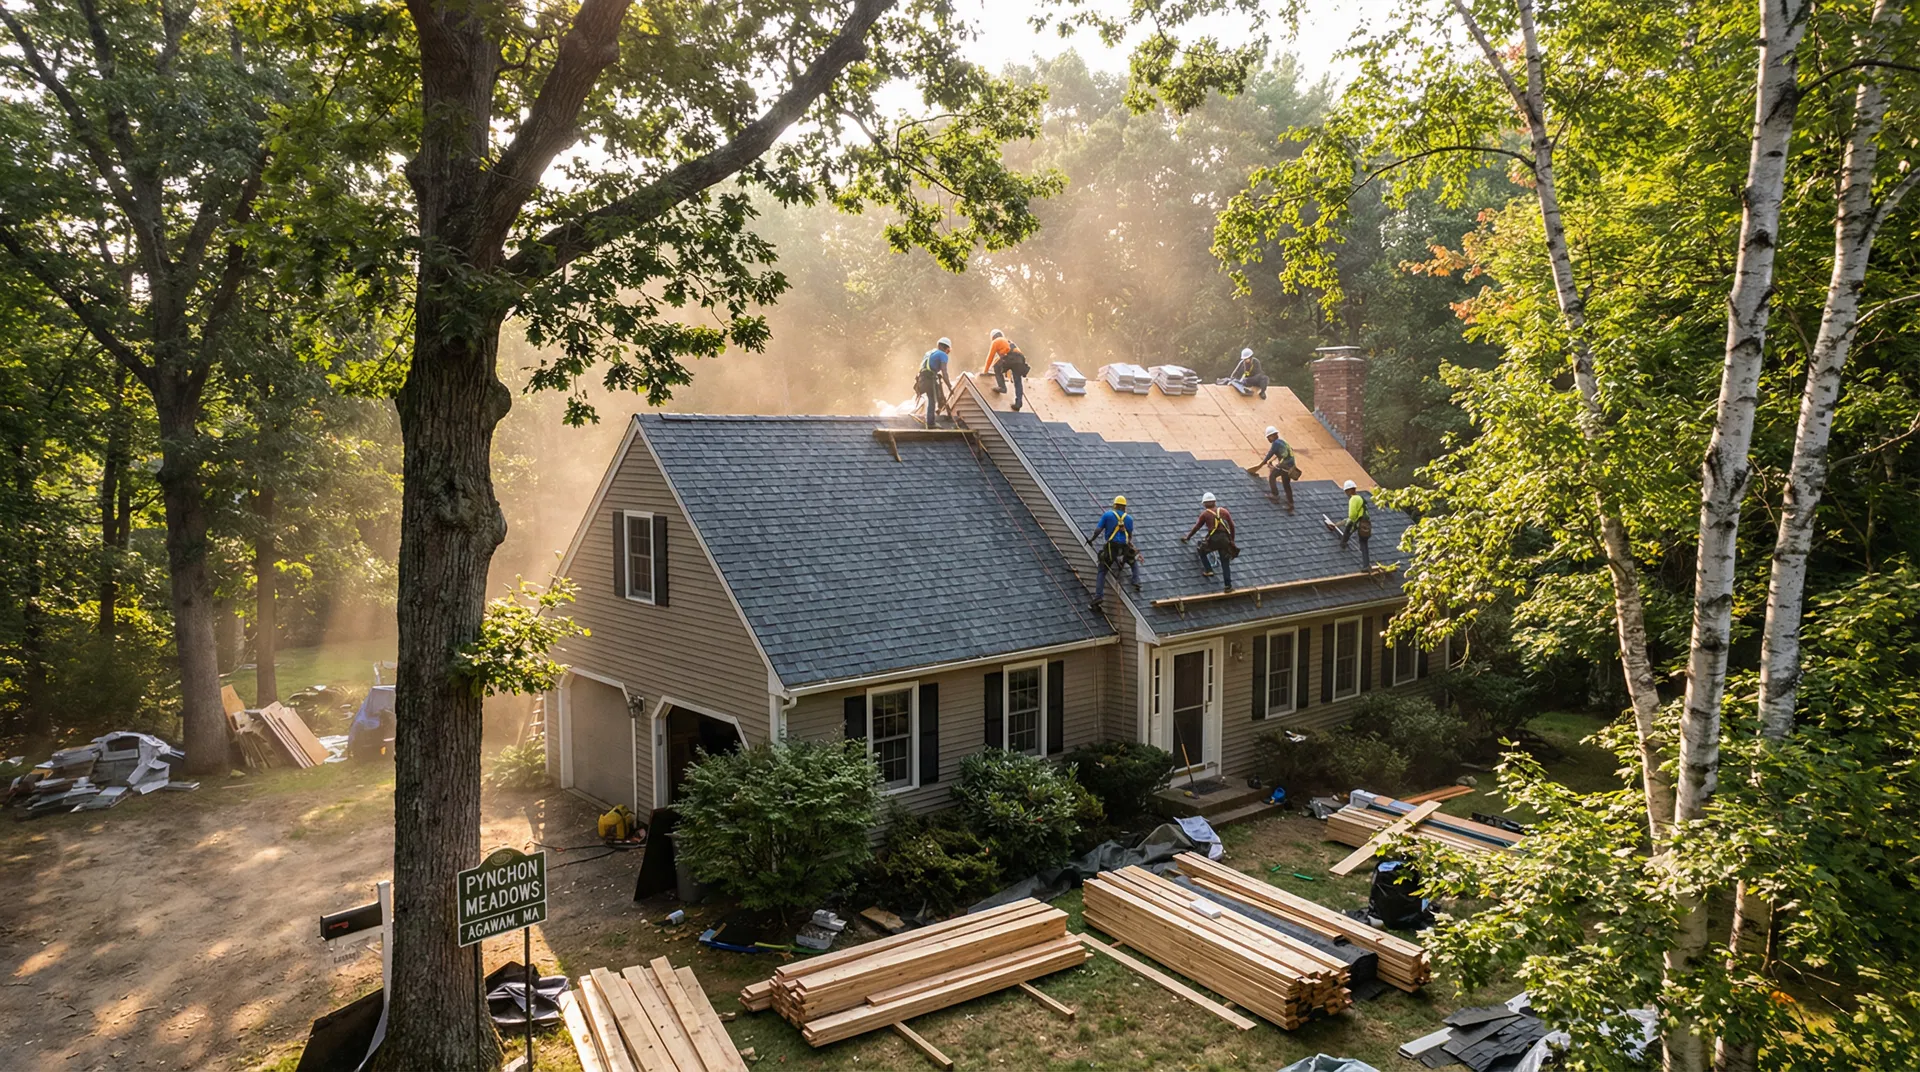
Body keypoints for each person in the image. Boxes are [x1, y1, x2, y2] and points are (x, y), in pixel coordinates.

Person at [1085, 494, 1141, 610]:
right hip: (1124, 548)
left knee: (1102, 570)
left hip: (1111, 548)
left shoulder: (1108, 515)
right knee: (1132, 561)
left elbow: (1098, 530)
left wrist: (1091, 540)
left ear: (1115, 505)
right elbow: (1129, 536)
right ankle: (1136, 580)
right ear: (1124, 507)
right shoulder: (1129, 519)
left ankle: (1098, 596)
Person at [1181, 492, 1236, 592]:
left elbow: (1196, 527)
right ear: (1214, 502)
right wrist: (1232, 540)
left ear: (1205, 504)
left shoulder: (1205, 514)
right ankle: (1228, 586)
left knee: (1201, 550)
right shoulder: (1224, 511)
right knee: (1225, 562)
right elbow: (1232, 526)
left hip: (1214, 539)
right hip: (1225, 539)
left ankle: (1209, 569)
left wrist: (1188, 537)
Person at [1246, 425, 1300, 507]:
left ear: (1273, 435)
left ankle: (1275, 495)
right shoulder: (1282, 442)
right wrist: (1272, 461)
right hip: (1291, 466)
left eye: (1268, 437)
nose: (1268, 439)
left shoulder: (1276, 443)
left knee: (1272, 476)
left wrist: (1264, 462)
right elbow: (1288, 451)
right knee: (1286, 484)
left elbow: (1270, 453)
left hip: (1284, 465)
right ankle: (1291, 502)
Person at [1324, 479, 1372, 563]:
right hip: (1365, 524)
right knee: (1364, 544)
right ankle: (1366, 565)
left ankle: (1343, 543)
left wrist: (1343, 524)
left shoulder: (1353, 499)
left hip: (1359, 523)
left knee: (1348, 527)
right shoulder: (1360, 498)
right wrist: (1339, 524)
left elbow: (1352, 516)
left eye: (1346, 491)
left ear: (1350, 490)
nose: (1346, 494)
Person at [987, 330, 1031, 411]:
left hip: (1011, 358)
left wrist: (985, 371)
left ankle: (1002, 387)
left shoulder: (996, 342)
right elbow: (1013, 359)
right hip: (1020, 360)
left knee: (996, 367)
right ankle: (1018, 403)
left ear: (993, 337)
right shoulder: (1009, 342)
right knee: (1017, 381)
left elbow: (990, 357)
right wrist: (1008, 377)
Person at [916, 337, 954, 427]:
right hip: (929, 379)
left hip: (922, 379)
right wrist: (949, 386)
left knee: (936, 396)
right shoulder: (943, 355)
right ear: (946, 348)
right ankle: (931, 423)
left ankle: (935, 413)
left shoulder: (930, 353)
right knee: (932, 399)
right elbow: (944, 372)